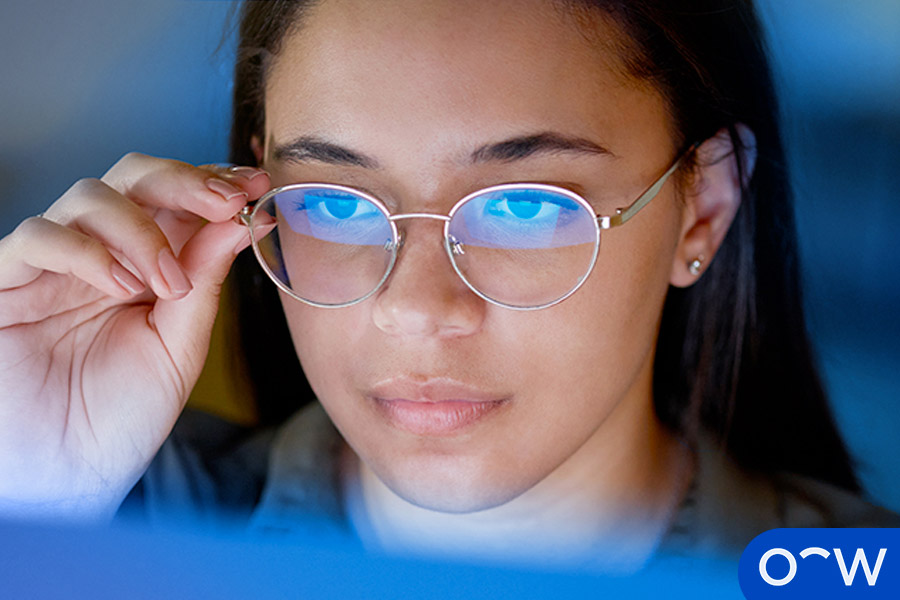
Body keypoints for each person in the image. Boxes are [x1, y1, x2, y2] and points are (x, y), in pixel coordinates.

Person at [0, 0, 895, 573]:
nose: (416, 310)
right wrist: (32, 500)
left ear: (703, 208)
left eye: (521, 207)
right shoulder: (98, 530)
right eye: (336, 204)